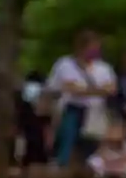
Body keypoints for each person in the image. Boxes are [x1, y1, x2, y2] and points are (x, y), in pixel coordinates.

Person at [47, 30, 115, 167]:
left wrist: (86, 90)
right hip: (72, 108)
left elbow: (111, 89)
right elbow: (71, 88)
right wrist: (98, 90)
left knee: (92, 145)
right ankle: (63, 168)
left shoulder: (103, 68)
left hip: (95, 111)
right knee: (67, 141)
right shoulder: (65, 64)